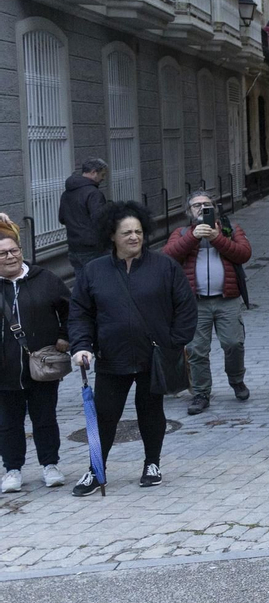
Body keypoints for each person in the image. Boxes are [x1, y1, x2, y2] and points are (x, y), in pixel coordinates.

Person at [68, 202, 197, 494]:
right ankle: (95, 471)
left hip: (154, 358)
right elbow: (80, 314)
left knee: (151, 413)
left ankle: (152, 464)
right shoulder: (93, 271)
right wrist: (82, 346)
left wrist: (173, 343)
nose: (134, 237)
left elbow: (186, 308)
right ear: (112, 236)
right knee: (104, 416)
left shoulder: (165, 266)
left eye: (138, 231)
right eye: (126, 232)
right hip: (111, 358)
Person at [163, 191, 252, 416]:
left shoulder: (230, 229)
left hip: (227, 299)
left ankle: (236, 380)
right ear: (189, 211)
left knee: (234, 343)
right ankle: (201, 393)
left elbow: (244, 254)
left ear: (215, 208)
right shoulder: (181, 233)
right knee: (196, 350)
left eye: (206, 204)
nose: (202, 208)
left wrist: (216, 238)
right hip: (195, 302)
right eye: (197, 206)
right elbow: (167, 257)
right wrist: (193, 237)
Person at [0, 235, 69, 493]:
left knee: (45, 418)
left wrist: (65, 336)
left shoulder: (45, 279)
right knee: (8, 423)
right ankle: (13, 469)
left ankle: (50, 465)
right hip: (4, 370)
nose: (10, 256)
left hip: (42, 365)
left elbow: (71, 310)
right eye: (3, 253)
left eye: (14, 250)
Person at [59, 157, 109, 280]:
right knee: (98, 281)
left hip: (73, 247)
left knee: (82, 283)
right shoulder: (94, 193)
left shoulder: (67, 193)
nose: (103, 178)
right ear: (94, 172)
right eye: (102, 175)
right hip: (93, 247)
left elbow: (62, 218)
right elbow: (100, 220)